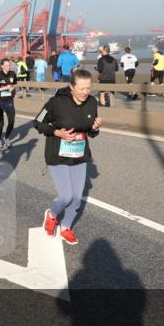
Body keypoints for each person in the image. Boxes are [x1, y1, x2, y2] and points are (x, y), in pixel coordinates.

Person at [35, 68, 102, 246]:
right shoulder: (56, 103)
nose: (85, 92)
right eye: (81, 88)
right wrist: (57, 132)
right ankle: (51, 215)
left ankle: (66, 227)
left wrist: (95, 128)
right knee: (66, 196)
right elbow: (38, 122)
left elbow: (91, 131)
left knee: (77, 198)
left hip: (79, 155)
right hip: (58, 154)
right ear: (72, 86)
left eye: (88, 88)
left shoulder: (92, 102)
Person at [0, 58, 18, 149]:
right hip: (0, 101)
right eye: (7, 65)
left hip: (9, 100)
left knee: (11, 121)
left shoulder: (12, 73)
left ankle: (6, 137)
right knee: (1, 123)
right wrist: (5, 88)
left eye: (9, 65)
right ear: (2, 66)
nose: (8, 67)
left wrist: (12, 88)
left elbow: (15, 84)